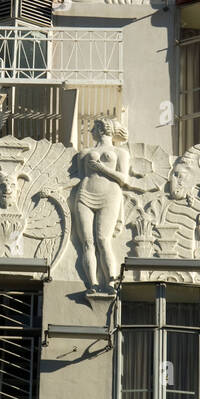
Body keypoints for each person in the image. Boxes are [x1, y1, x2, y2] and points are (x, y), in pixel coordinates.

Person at [73, 118, 137, 290]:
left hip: (109, 195)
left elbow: (124, 179)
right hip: (85, 194)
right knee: (87, 242)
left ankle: (110, 281)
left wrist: (101, 168)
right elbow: (78, 179)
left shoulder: (120, 152)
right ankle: (92, 283)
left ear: (101, 129)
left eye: (94, 127)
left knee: (103, 240)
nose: (91, 131)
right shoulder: (84, 152)